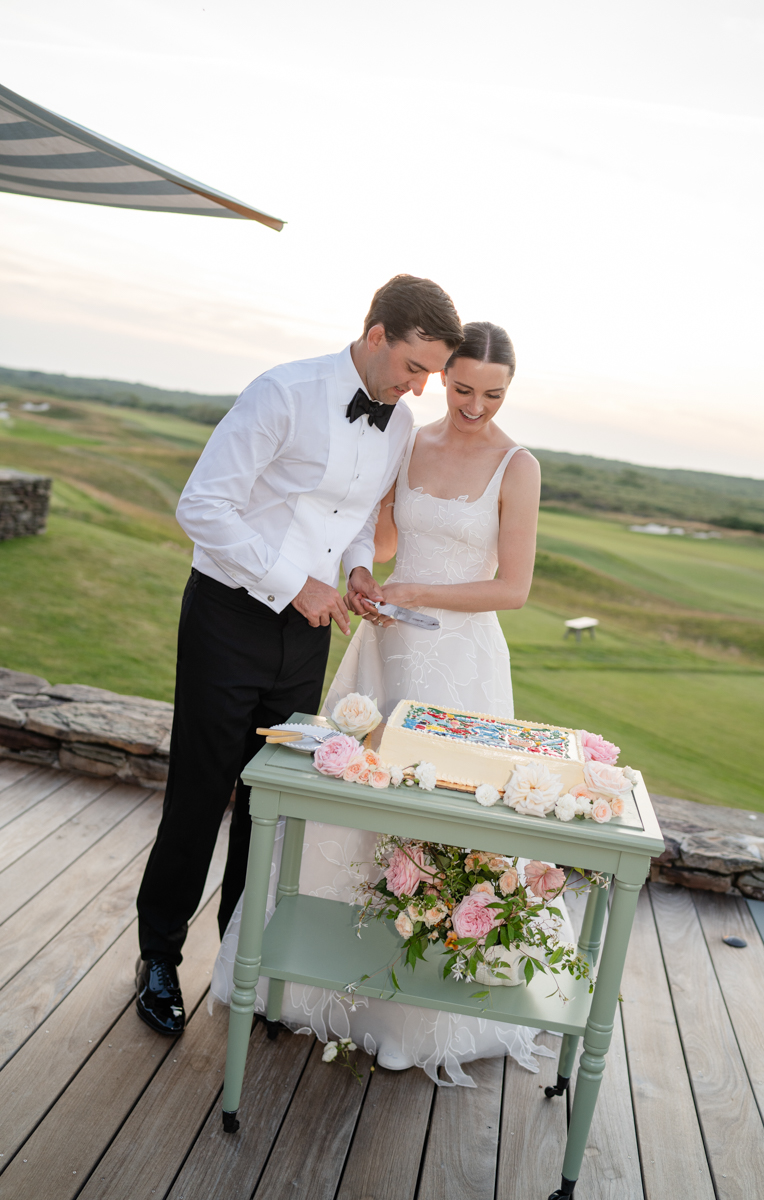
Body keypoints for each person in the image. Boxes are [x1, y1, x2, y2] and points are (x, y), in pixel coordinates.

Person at [212, 322, 573, 1086]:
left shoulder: (519, 464)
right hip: (387, 651)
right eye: (463, 387)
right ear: (443, 378)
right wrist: (367, 583)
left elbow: (513, 587)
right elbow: (373, 538)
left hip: (462, 667)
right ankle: (313, 987)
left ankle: (412, 1021)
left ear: (510, 390)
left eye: (493, 394)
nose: (475, 405)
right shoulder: (408, 437)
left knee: (442, 825)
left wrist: (415, 588)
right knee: (354, 810)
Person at [134, 275, 464, 1036]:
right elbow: (202, 506)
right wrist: (294, 585)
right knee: (199, 793)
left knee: (269, 803)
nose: (419, 388)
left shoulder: (399, 424)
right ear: (376, 333)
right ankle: (158, 955)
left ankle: (238, 961)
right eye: (414, 368)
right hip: (227, 617)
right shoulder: (281, 392)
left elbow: (349, 520)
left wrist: (353, 570)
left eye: (430, 377)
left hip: (306, 633)